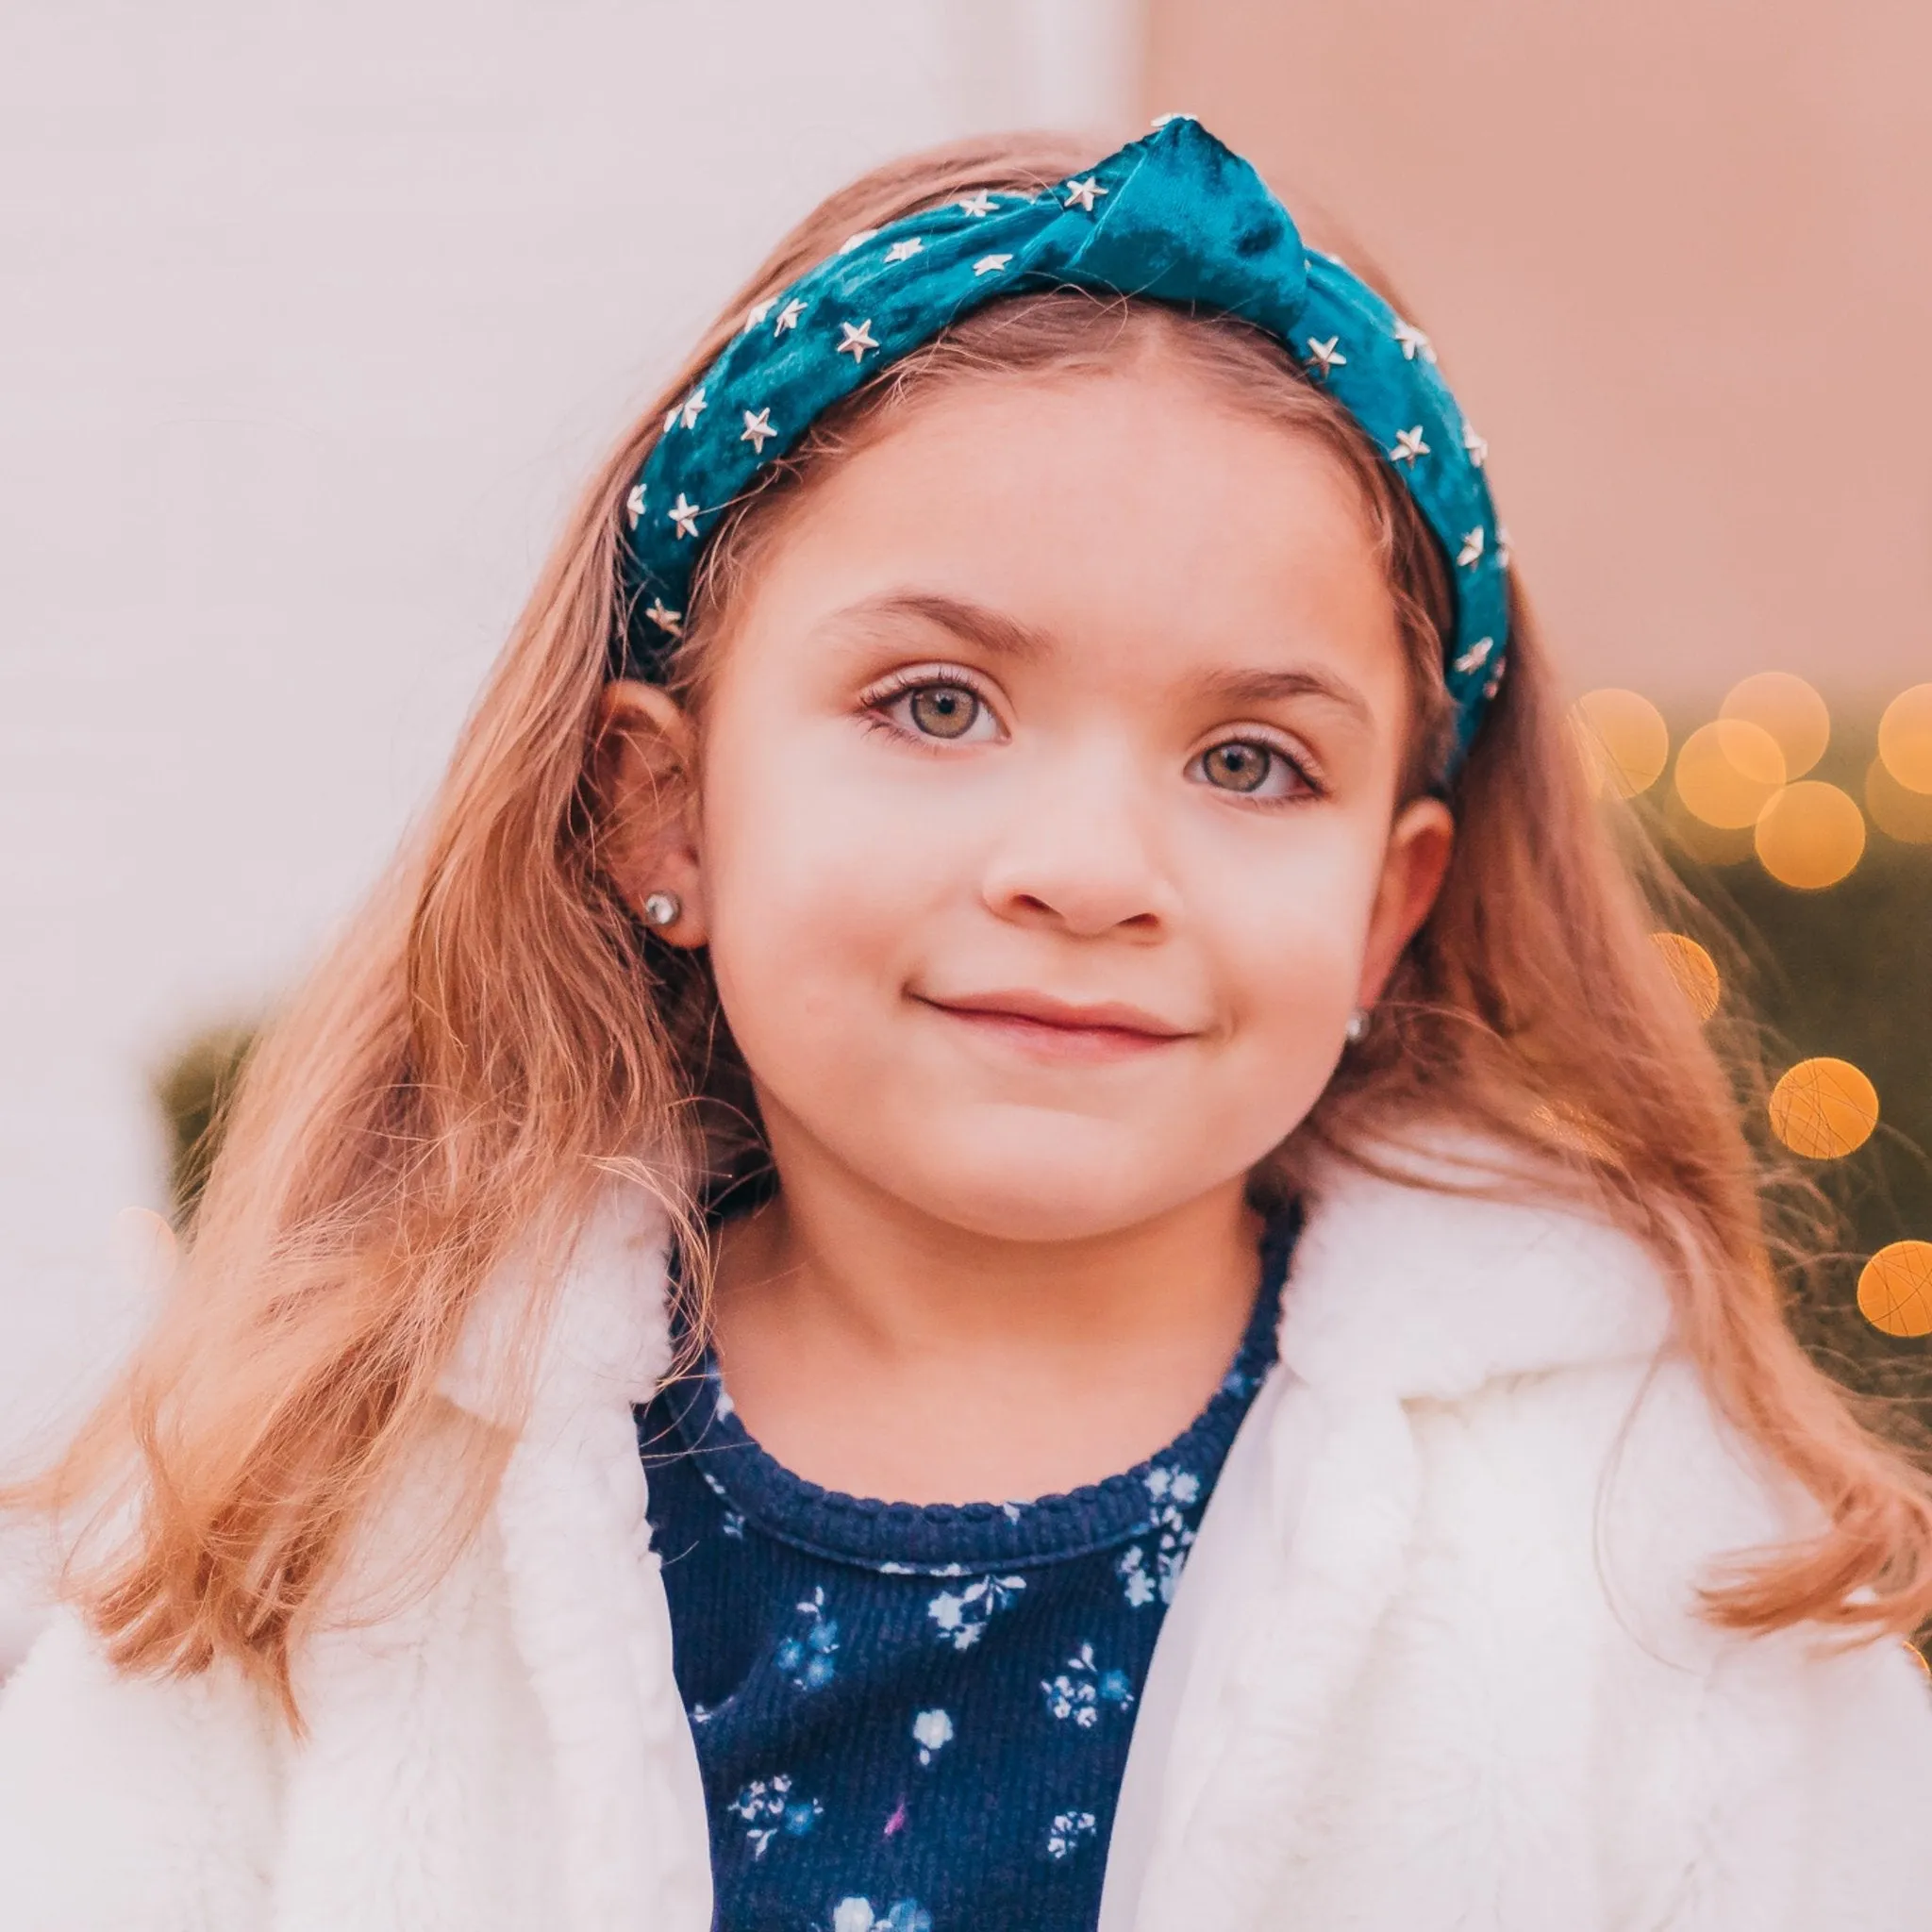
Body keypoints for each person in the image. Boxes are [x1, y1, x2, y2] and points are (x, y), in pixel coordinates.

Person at [2, 116, 1929, 1932]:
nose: (1089, 869)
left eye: (1249, 760)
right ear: (660, 806)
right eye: (935, 704)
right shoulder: (320, 1513)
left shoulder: (1653, 1549)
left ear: (1385, 905)